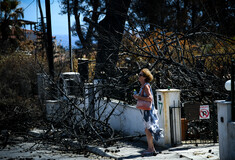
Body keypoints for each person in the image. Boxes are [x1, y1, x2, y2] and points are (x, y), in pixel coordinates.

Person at [133, 68, 163, 155]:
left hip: (148, 112)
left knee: (148, 129)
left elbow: (150, 98)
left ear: (145, 77)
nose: (138, 77)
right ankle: (151, 148)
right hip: (146, 111)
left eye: (140, 75)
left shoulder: (146, 86)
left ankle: (150, 148)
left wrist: (138, 97)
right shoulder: (143, 86)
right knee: (147, 129)